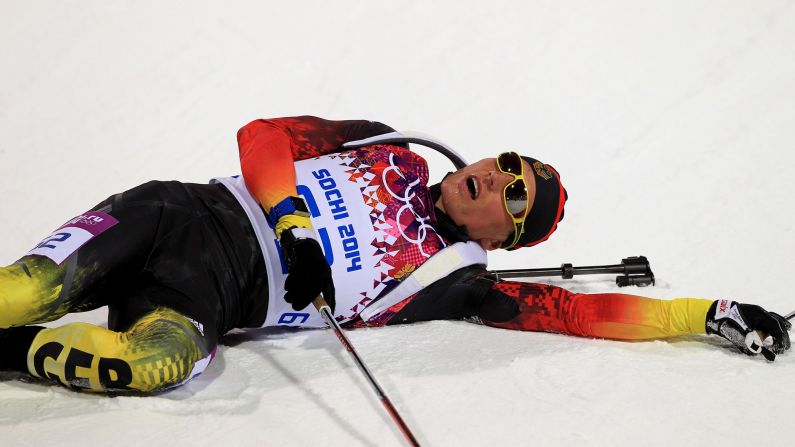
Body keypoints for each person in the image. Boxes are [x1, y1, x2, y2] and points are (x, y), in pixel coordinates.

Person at [0, 116, 790, 394]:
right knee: (24, 290)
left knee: (158, 366)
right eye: (505, 161)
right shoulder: (390, 147)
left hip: (206, 299)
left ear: (502, 238)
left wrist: (709, 311)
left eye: (511, 197)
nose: (493, 175)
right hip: (177, 215)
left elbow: (586, 311)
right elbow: (263, 137)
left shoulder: (457, 284)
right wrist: (291, 226)